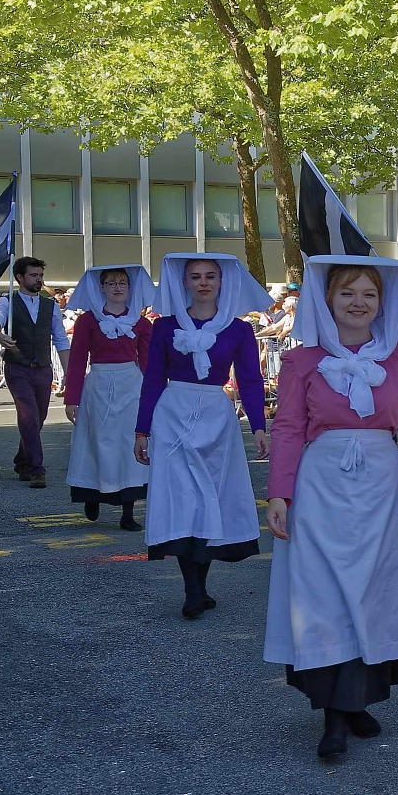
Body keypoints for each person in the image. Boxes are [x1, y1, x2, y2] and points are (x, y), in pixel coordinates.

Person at [264, 256, 398, 759]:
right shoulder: (302, 361)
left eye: (369, 294)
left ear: (382, 303)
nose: (358, 303)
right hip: (322, 486)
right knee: (325, 592)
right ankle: (333, 712)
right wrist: (278, 493)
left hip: (382, 487)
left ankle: (356, 701)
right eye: (348, 293)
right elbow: (286, 428)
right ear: (328, 300)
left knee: (374, 590)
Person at [135, 254, 273, 620]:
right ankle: (192, 589)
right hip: (173, 412)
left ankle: (200, 585)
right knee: (180, 497)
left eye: (210, 276)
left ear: (222, 282)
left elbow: (250, 379)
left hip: (216, 415)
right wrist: (142, 429)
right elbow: (152, 380)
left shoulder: (238, 329)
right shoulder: (164, 326)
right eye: (195, 276)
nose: (203, 283)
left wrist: (259, 425)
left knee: (209, 496)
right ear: (183, 283)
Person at [63, 264, 155, 529]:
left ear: (130, 288)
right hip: (99, 385)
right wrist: (72, 398)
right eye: (111, 283)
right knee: (97, 442)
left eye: (122, 283)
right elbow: (79, 359)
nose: (117, 287)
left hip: (131, 385)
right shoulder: (88, 321)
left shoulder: (140, 323)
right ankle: (92, 493)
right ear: (101, 287)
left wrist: (156, 395)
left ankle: (128, 513)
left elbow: (148, 362)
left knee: (132, 445)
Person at [0, 257, 73, 488]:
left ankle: (22, 461)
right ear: (20, 278)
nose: (39, 280)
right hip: (18, 368)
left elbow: (61, 340)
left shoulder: (51, 306)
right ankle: (37, 469)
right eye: (34, 275)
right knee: (28, 416)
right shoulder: (7, 302)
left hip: (43, 369)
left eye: (40, 275)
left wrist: (69, 373)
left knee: (39, 418)